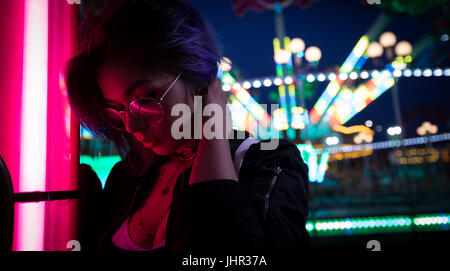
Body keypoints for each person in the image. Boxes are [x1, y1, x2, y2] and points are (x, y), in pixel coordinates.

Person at [65, 0, 310, 254]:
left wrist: (213, 134)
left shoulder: (270, 165)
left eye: (145, 98)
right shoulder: (127, 176)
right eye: (118, 109)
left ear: (195, 76)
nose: (131, 126)